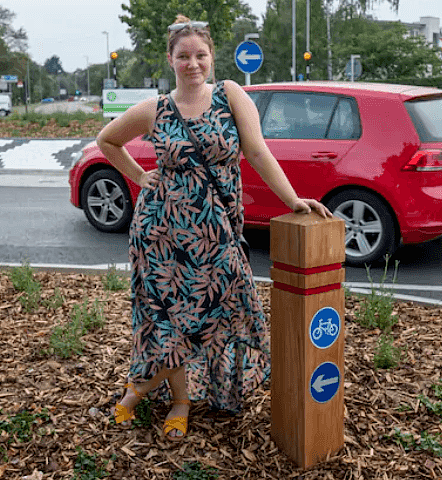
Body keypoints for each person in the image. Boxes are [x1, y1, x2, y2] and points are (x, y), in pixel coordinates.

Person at [96, 14, 332, 439]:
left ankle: (141, 388)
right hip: (159, 235)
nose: (192, 63)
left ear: (212, 56)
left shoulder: (230, 95)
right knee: (168, 321)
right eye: (183, 56)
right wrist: (139, 177)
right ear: (170, 59)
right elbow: (106, 141)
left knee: (220, 310)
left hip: (218, 233)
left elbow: (259, 153)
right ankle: (179, 400)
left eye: (200, 55)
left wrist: (293, 199)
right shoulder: (156, 109)